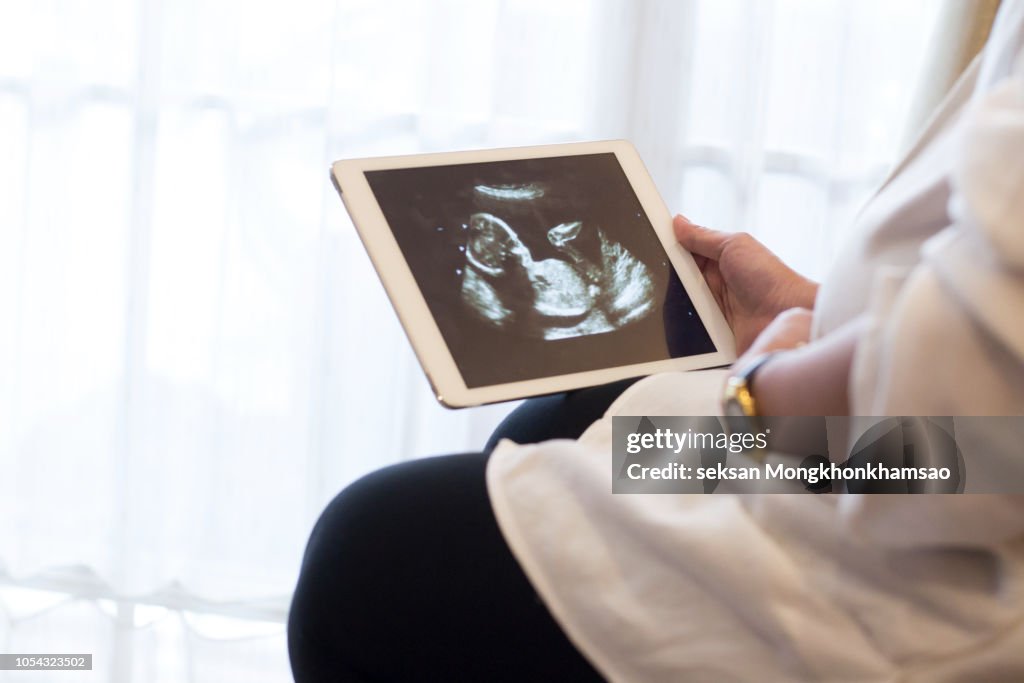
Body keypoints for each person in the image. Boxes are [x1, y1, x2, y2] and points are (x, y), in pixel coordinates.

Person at [288, 2, 1024, 680]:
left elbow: (950, 405)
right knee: (567, 418)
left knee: (367, 553)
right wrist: (816, 314)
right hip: (922, 442)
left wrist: (761, 387)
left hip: (925, 473)